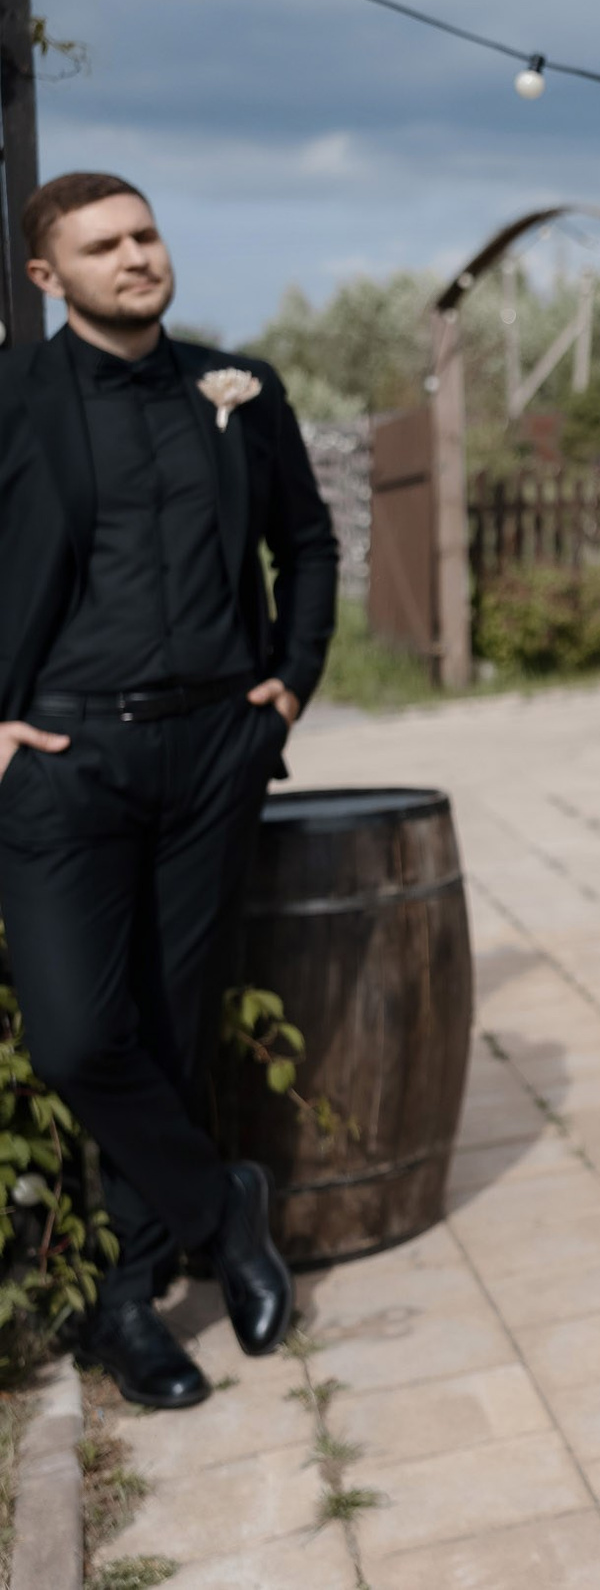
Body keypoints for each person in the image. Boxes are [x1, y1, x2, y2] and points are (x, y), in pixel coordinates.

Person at [0, 173, 332, 1408]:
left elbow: (306, 542)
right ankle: (223, 1208)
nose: (137, 257)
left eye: (146, 234)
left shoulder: (238, 390)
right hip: (63, 759)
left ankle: (131, 1307)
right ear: (49, 278)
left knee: (168, 1024)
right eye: (104, 245)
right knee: (84, 1035)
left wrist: (289, 685)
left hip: (212, 756)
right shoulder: (14, 400)